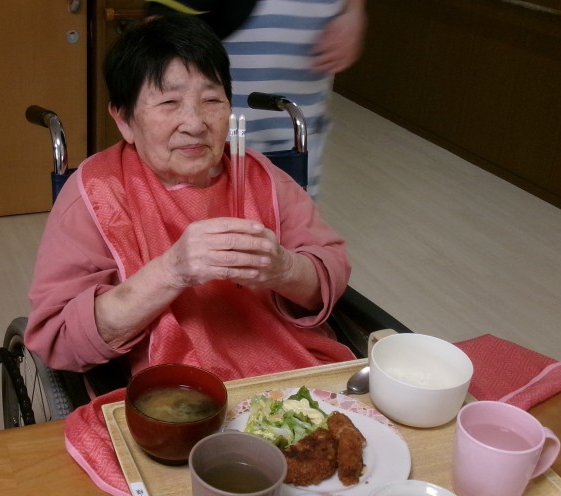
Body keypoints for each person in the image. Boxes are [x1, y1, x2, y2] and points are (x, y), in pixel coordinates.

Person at [24, 14, 354, 384]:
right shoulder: (97, 193)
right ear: (124, 120)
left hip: (294, 372)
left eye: (211, 99)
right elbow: (59, 337)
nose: (196, 124)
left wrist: (283, 269)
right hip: (175, 394)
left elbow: (329, 269)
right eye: (169, 102)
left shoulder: (261, 177)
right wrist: (172, 271)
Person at [146, 1, 368, 199]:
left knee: (292, 216)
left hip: (298, 123)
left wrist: (352, 10)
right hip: (221, 130)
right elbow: (160, 30)